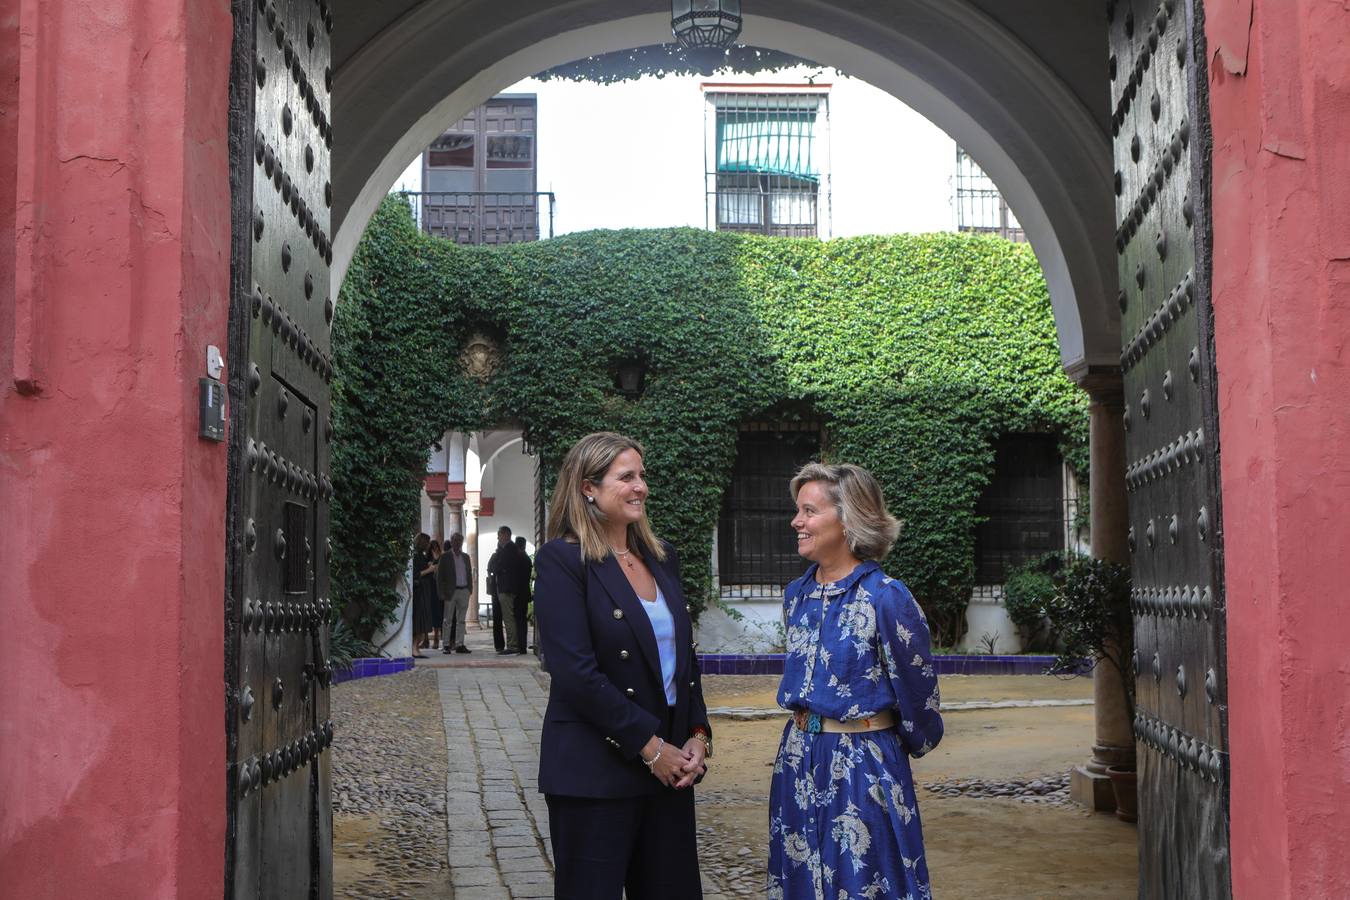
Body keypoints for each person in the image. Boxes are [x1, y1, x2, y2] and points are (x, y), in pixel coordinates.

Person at [534, 431, 711, 900]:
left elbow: (682, 660)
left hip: (669, 768)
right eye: (626, 477)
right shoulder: (562, 560)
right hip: (596, 771)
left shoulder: (661, 556)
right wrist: (649, 748)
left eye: (642, 475)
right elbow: (574, 673)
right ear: (588, 488)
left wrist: (696, 733)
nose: (641, 487)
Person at [768, 462, 944, 900]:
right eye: (798, 511)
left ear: (847, 520)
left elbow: (918, 688)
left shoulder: (886, 596)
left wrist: (891, 749)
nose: (797, 521)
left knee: (864, 882)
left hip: (863, 764)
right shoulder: (797, 595)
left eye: (809, 511)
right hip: (797, 761)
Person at [488, 525, 528, 655]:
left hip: (507, 588)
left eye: (500, 534)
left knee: (508, 617)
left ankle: (513, 645)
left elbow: (497, 567)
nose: (498, 537)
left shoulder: (509, 549)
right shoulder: (508, 549)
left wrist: (496, 564)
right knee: (508, 616)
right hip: (507, 587)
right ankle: (513, 643)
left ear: (506, 535)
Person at [438, 533, 474, 654]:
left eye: (459, 540)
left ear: (462, 542)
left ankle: (459, 644)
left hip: (464, 590)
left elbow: (469, 573)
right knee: (447, 620)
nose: (457, 542)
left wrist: (470, 588)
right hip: (450, 592)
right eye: (455, 540)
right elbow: (440, 576)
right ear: (451, 541)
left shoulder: (466, 557)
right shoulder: (445, 557)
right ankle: (446, 645)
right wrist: (441, 592)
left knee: (461, 620)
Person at [410, 533, 438, 659]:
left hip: (425, 590)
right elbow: (416, 574)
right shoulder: (415, 556)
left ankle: (416, 647)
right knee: (419, 620)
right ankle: (414, 648)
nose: (428, 545)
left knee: (423, 620)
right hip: (420, 592)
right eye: (427, 542)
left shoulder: (420, 556)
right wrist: (429, 570)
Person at [513, 535, 533, 655]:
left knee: (518, 620)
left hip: (518, 593)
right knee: (522, 620)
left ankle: (520, 645)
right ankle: (522, 645)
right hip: (525, 592)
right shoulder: (526, 558)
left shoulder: (518, 558)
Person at [427, 540, 445, 650]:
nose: (435, 549)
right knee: (430, 614)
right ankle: (425, 639)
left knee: (439, 614)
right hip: (429, 588)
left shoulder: (442, 558)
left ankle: (437, 638)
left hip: (439, 589)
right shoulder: (426, 559)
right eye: (432, 547)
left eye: (436, 547)